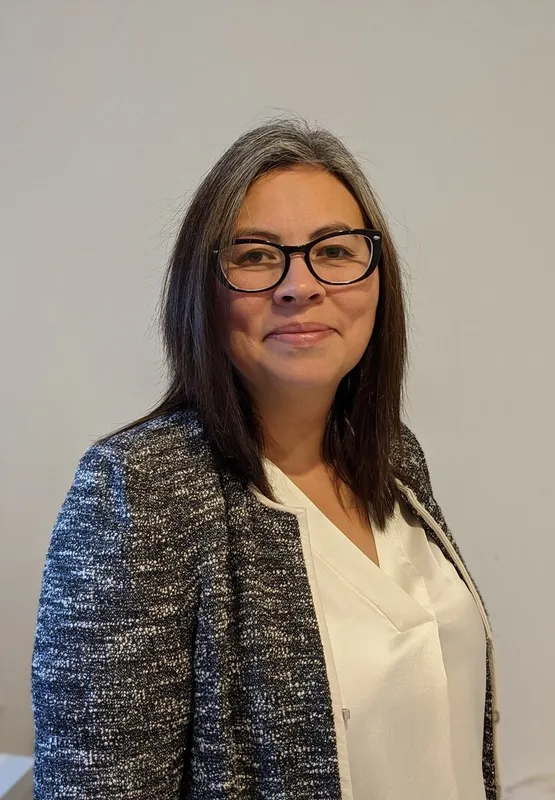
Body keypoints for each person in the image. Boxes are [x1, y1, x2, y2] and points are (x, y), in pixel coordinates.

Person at [31, 117, 501, 799]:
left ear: (378, 279)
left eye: (334, 251)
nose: (299, 285)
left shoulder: (394, 456)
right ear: (203, 289)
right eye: (255, 256)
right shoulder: (137, 489)